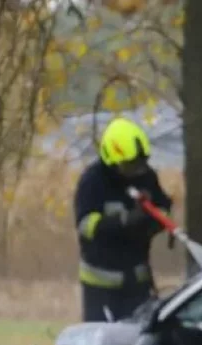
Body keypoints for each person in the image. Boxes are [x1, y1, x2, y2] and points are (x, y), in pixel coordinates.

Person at [73, 117, 173, 322]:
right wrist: (124, 221)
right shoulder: (93, 182)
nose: (136, 171)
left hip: (138, 283)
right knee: (102, 343)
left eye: (140, 164)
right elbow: (85, 226)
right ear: (112, 158)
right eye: (130, 166)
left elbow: (163, 206)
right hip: (101, 286)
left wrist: (154, 220)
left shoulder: (146, 177)